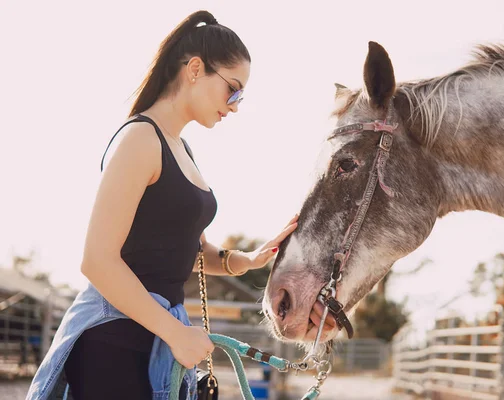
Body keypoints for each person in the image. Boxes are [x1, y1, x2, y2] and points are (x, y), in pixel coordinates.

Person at [26, 10, 309, 400]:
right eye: (233, 89)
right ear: (195, 68)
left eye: (241, 96)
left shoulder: (181, 148)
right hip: (115, 343)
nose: (237, 105)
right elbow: (97, 260)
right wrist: (175, 332)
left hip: (153, 341)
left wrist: (246, 259)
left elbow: (187, 249)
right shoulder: (141, 139)